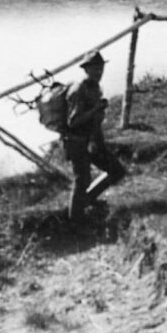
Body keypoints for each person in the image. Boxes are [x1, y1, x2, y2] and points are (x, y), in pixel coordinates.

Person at [63, 51, 125, 222]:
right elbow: (73, 122)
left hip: (91, 140)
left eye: (101, 69)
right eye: (96, 69)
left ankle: (87, 200)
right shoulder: (78, 90)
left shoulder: (95, 88)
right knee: (81, 180)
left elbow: (95, 120)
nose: (99, 73)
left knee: (117, 170)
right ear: (87, 70)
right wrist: (95, 110)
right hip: (76, 142)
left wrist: (99, 142)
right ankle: (76, 225)